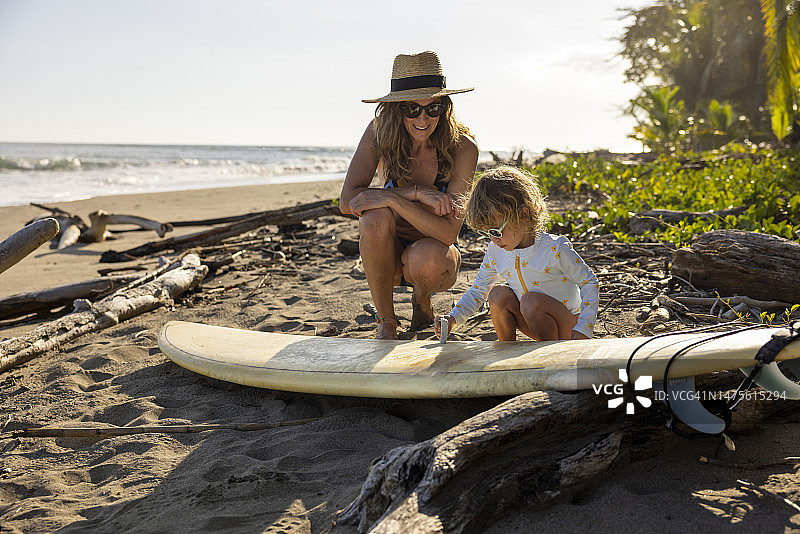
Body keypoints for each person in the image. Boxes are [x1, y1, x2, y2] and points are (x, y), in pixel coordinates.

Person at [339, 51, 478, 339]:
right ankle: (386, 321)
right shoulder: (379, 134)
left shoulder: (463, 148)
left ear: (445, 107)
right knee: (373, 218)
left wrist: (393, 198)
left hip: (433, 259)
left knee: (426, 257)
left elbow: (448, 233)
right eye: (412, 109)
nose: (423, 118)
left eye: (433, 108)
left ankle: (421, 301)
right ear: (396, 108)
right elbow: (347, 201)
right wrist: (413, 193)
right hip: (384, 256)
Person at [435, 166, 599, 342]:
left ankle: (549, 355)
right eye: (486, 233)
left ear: (523, 214)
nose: (493, 239)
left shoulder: (554, 248)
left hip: (568, 327)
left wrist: (583, 329)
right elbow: (478, 290)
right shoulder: (496, 251)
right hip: (532, 322)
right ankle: (507, 349)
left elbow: (589, 282)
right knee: (498, 295)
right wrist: (452, 318)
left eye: (497, 231)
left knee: (530, 301)